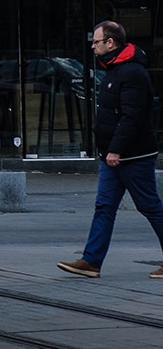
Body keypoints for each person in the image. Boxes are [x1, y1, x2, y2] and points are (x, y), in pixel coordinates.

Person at [58, 20, 163, 279]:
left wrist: (116, 150)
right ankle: (91, 261)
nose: (92, 47)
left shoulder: (132, 73)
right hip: (111, 157)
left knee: (150, 206)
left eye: (96, 42)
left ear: (110, 42)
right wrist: (107, 151)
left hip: (132, 156)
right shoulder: (114, 70)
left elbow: (132, 117)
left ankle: (92, 260)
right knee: (104, 207)